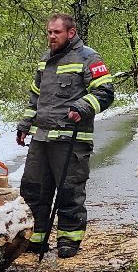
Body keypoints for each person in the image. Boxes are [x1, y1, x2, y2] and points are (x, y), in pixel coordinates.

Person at [16, 14, 116, 258]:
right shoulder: (45, 60)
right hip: (41, 139)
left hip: (71, 139)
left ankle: (68, 241)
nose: (51, 36)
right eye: (49, 32)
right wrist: (25, 124)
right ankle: (35, 239)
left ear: (71, 33)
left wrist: (82, 107)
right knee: (33, 190)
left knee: (69, 193)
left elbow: (106, 92)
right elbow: (35, 98)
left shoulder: (88, 58)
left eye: (56, 32)